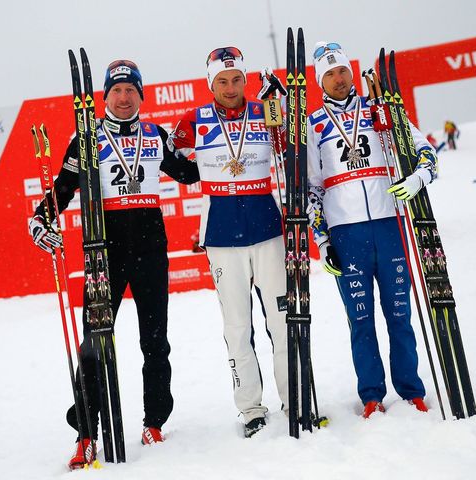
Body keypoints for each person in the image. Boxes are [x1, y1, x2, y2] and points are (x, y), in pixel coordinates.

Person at [28, 59, 199, 469]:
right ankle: (87, 432)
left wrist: (210, 141)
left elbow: (193, 174)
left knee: (154, 341)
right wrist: (40, 219)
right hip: (103, 250)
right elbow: (64, 187)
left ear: (142, 95)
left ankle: (154, 421)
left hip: (151, 250)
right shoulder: (87, 138)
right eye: (117, 91)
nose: (124, 98)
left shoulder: (156, 136)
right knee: (94, 344)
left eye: (131, 91)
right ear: (107, 96)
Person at [306, 42, 437, 418]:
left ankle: (411, 390)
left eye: (343, 70)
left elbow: (426, 151)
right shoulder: (314, 125)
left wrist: (417, 180)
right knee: (360, 320)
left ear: (352, 72)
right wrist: (323, 239)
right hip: (347, 235)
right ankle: (371, 395)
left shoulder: (380, 109)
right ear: (320, 80)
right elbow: (312, 189)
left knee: (400, 313)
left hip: (389, 224)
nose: (339, 78)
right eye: (329, 73)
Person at [171, 46, 289, 438]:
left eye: (237, 79)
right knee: (238, 326)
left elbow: (290, 148)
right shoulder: (193, 120)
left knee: (282, 319)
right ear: (211, 83)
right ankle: (251, 409)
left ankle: (295, 396)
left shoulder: (264, 110)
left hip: (268, 229)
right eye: (222, 81)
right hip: (221, 236)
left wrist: (285, 107)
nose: (231, 87)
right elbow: (175, 164)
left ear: (245, 79)